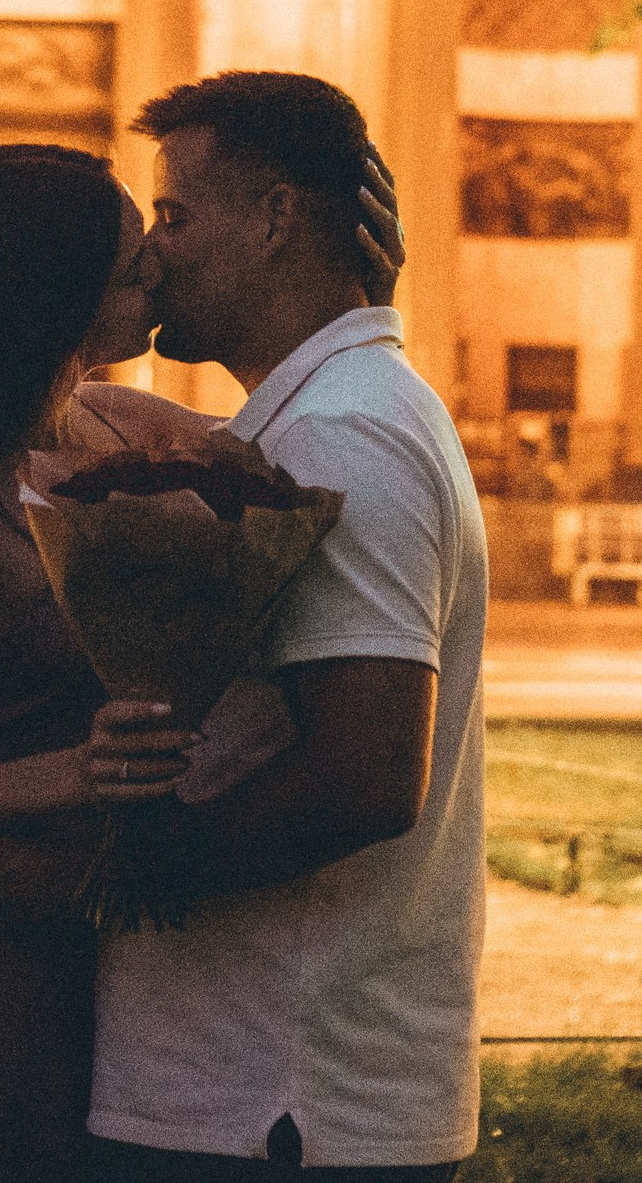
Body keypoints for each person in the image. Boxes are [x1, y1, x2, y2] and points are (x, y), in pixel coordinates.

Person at [0, 139, 405, 1183]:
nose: (159, 270)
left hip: (129, 954)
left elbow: (307, 448)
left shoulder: (116, 424)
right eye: (130, 265)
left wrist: (355, 292)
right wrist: (80, 775)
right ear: (45, 297)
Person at [71, 71, 490, 1182]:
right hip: (261, 1093)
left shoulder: (350, 434)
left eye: (175, 215)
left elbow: (361, 776)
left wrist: (108, 876)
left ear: (272, 219)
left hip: (280, 1101)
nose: (156, 253)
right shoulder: (327, 414)